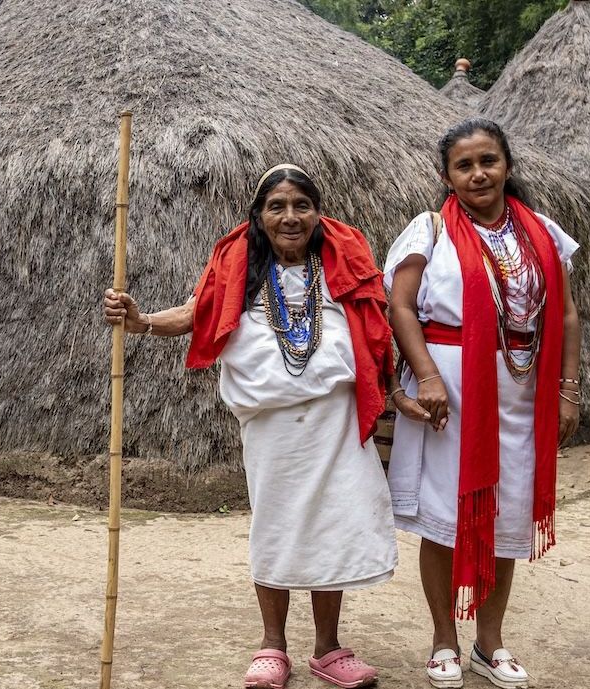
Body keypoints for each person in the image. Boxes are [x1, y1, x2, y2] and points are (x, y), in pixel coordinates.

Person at [103, 164, 426, 689]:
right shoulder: (240, 263)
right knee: (276, 523)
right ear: (259, 215)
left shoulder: (342, 262)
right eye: (277, 206)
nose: (290, 216)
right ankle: (272, 644)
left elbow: (374, 329)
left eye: (301, 205)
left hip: (336, 421)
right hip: (272, 428)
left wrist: (397, 394)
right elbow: (196, 312)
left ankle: (328, 648)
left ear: (318, 213)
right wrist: (140, 322)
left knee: (334, 523)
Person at [383, 119, 582, 689]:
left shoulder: (543, 233)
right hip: (448, 391)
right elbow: (400, 307)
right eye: (464, 165)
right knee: (444, 519)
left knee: (509, 514)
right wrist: (426, 377)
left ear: (507, 165)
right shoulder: (428, 231)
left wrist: (567, 389)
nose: (478, 174)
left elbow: (565, 316)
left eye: (488, 161)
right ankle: (444, 640)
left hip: (522, 393)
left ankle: (488, 643)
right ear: (447, 176)